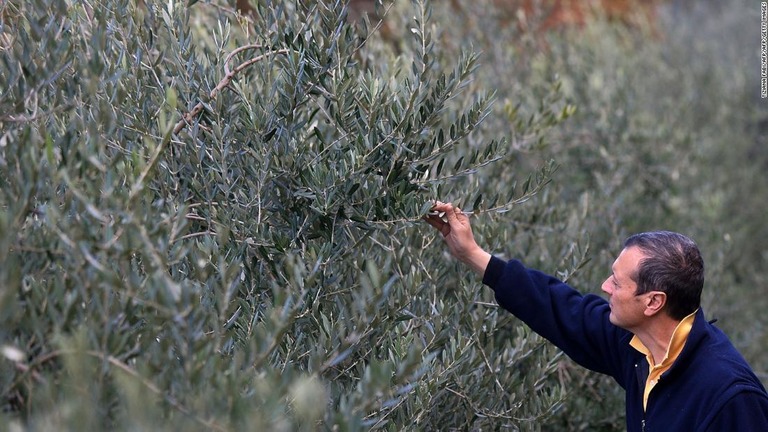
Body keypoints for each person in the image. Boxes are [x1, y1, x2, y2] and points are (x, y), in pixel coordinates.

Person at [425, 201, 768, 432]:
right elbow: (559, 307)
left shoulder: (731, 398)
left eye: (616, 282)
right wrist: (472, 255)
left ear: (653, 302)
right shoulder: (638, 346)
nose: (604, 286)